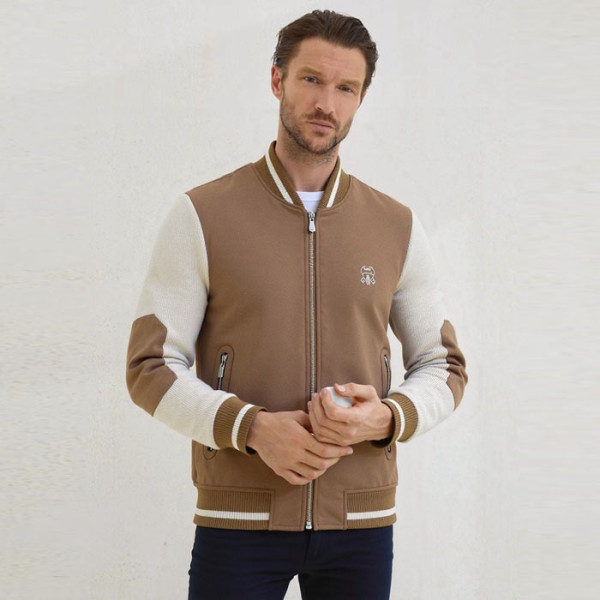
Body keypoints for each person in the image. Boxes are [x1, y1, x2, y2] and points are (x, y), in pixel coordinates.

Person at [125, 9, 467, 600]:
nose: (326, 104)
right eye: (311, 79)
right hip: (239, 520)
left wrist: (385, 418)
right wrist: (252, 428)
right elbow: (149, 367)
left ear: (361, 100)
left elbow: (444, 365)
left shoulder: (396, 225)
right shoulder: (202, 214)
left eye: (346, 88)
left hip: (360, 523)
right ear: (277, 80)